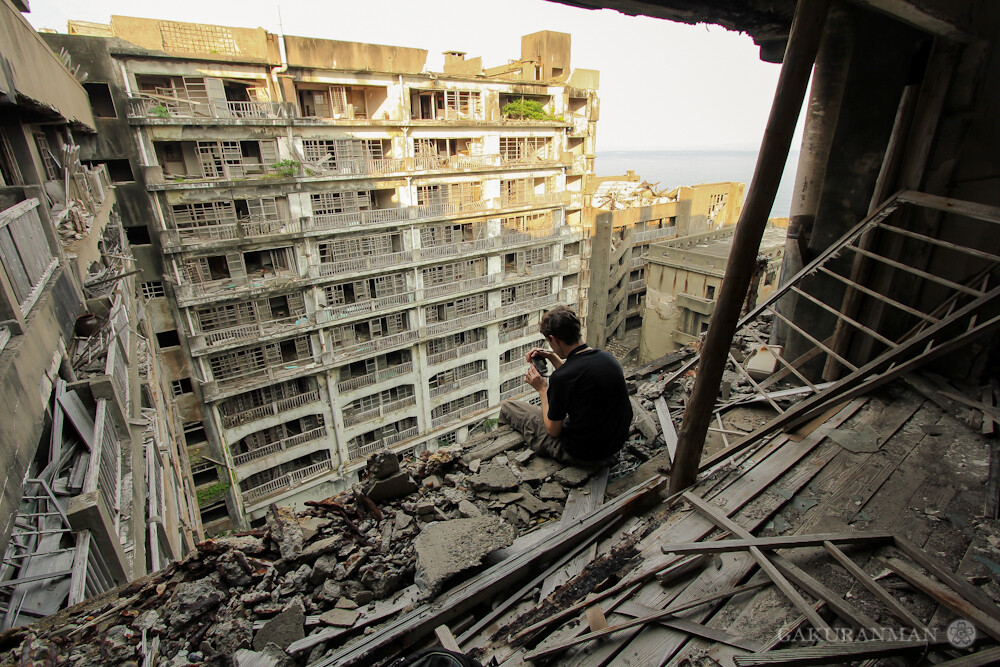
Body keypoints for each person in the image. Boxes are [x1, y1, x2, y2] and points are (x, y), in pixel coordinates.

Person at [499, 306, 632, 467]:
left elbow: (553, 430)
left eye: (550, 342)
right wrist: (554, 357)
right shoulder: (607, 358)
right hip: (614, 445)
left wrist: (542, 388)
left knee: (508, 407)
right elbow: (574, 376)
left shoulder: (561, 378)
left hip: (583, 454)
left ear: (554, 339)